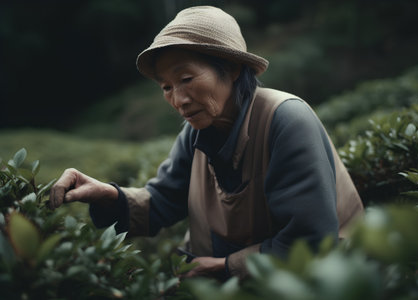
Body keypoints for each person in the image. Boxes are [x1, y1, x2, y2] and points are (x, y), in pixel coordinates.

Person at [49, 6, 363, 279]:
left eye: (186, 79)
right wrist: (107, 196)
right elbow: (162, 202)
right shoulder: (195, 132)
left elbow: (311, 242)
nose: (179, 100)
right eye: (167, 87)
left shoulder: (286, 120)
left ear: (232, 67)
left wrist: (226, 266)